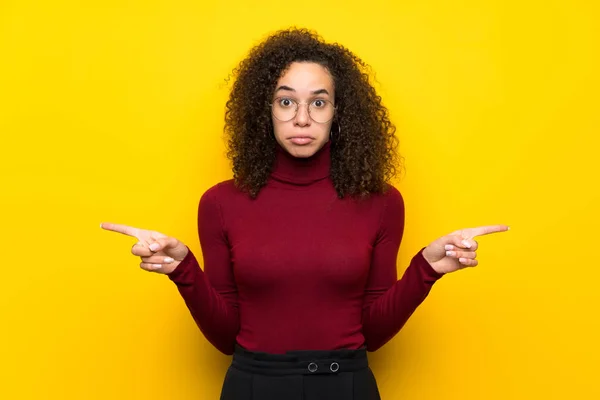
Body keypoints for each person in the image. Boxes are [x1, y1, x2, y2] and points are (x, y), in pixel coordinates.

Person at [101, 27, 508, 400]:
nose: (302, 118)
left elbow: (374, 331)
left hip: (346, 385)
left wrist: (427, 268)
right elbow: (227, 337)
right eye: (286, 101)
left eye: (318, 102)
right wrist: (182, 269)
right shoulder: (220, 204)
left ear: (338, 113)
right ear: (266, 111)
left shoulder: (382, 202)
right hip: (253, 386)